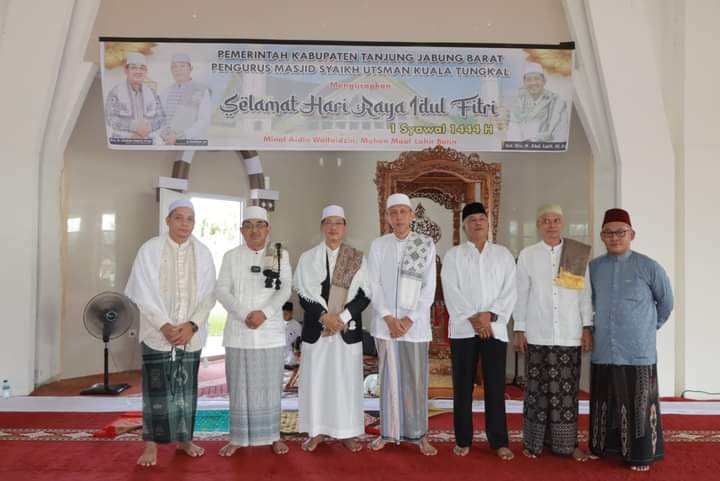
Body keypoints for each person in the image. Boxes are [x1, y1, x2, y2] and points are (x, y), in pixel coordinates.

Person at [125, 198, 216, 467]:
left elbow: (210, 295)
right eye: (179, 218)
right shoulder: (149, 250)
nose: (184, 224)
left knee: (186, 389)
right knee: (156, 390)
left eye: (190, 219)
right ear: (168, 220)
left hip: (191, 334)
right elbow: (140, 291)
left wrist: (192, 325)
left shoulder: (203, 252)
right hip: (157, 332)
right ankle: (151, 444)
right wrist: (164, 325)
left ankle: (185, 440)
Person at [589, 208, 674, 472]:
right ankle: (602, 448)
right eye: (608, 233)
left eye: (620, 232)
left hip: (638, 350)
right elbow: (587, 303)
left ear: (632, 234)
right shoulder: (593, 268)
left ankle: (640, 455)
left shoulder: (649, 267)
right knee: (604, 401)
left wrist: (648, 327)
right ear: (602, 236)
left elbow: (666, 303)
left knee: (638, 403)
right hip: (604, 348)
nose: (614, 237)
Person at [513, 204, 593, 461]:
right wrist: (519, 328)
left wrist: (586, 327)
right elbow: (521, 294)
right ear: (539, 224)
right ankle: (533, 444)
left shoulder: (576, 253)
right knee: (536, 391)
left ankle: (566, 444)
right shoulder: (527, 255)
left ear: (562, 223)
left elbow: (584, 296)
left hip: (569, 334)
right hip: (538, 332)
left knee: (567, 393)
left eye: (556, 220)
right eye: (546, 220)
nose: (551, 224)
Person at [441, 202, 517, 460]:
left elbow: (510, 291)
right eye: (472, 219)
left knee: (495, 385)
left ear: (488, 223)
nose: (477, 223)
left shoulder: (503, 254)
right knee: (462, 386)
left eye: (481, 218)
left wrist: (489, 316)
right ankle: (463, 439)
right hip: (464, 329)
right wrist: (474, 318)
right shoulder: (453, 256)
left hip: (494, 329)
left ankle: (499, 441)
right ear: (464, 225)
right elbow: (451, 290)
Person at [215, 206, 292, 456]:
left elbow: (285, 290)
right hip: (239, 331)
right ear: (241, 230)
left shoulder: (280, 255)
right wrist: (244, 313)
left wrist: (264, 313)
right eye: (249, 225)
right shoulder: (231, 256)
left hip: (269, 332)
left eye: (260, 225)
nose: (254, 230)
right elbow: (222, 290)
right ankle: (237, 438)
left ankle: (273, 436)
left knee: (271, 387)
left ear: (268, 229)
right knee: (239, 386)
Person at [294, 205, 371, 453]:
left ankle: (347, 432)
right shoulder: (308, 258)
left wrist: (343, 317)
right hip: (317, 330)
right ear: (322, 227)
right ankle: (316, 431)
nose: (333, 228)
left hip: (346, 331)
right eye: (328, 222)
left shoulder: (357, 257)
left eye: (338, 223)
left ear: (345, 227)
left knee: (346, 383)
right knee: (317, 382)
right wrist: (325, 317)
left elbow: (365, 295)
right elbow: (303, 296)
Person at [367, 193, 437, 456]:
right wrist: (388, 317)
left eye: (403, 212)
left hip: (415, 327)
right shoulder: (378, 245)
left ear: (412, 215)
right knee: (388, 379)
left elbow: (429, 288)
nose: (398, 217)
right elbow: (373, 284)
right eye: (393, 212)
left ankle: (419, 435)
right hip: (385, 326)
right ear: (387, 217)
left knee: (415, 381)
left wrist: (408, 320)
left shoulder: (425, 244)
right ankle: (388, 432)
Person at [105, 52, 172, 144]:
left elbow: (161, 117)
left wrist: (148, 128)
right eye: (133, 67)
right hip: (122, 142)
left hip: (148, 143)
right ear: (126, 70)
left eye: (142, 68)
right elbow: (110, 118)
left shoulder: (152, 93)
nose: (138, 71)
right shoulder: (116, 92)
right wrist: (134, 127)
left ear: (146, 72)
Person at [506, 63, 568, 143]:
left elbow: (560, 135)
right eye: (529, 80)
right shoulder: (517, 103)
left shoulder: (558, 103)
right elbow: (512, 133)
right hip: (522, 149)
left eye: (536, 79)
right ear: (524, 83)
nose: (533, 83)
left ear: (544, 81)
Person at [162, 53, 212, 144]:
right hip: (166, 141)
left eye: (182, 66)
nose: (178, 70)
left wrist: (181, 136)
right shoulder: (166, 91)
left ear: (190, 68)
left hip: (191, 141)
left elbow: (204, 120)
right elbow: (161, 118)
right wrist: (165, 135)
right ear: (171, 70)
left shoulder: (201, 90)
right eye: (174, 67)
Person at [282, 301, 301, 369]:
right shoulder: (278, 323)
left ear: (292, 313)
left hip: (292, 360)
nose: (284, 315)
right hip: (280, 358)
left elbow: (299, 342)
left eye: (286, 313)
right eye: (283, 313)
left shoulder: (297, 325)